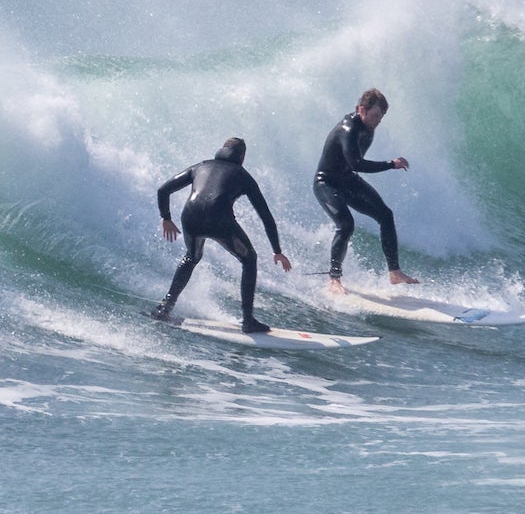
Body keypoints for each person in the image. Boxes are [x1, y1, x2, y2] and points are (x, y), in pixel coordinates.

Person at [151, 137, 291, 333]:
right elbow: (266, 216)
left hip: (190, 216)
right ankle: (248, 320)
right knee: (249, 259)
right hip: (219, 221)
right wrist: (277, 251)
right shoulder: (243, 175)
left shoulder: (201, 166)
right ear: (242, 156)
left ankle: (164, 308)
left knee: (191, 257)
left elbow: (163, 190)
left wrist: (166, 218)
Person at [315, 88, 416, 295]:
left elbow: (352, 167)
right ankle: (334, 279)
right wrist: (391, 164)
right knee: (345, 225)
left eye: (381, 117)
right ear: (362, 109)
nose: (378, 121)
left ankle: (394, 272)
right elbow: (356, 164)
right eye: (375, 115)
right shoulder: (349, 129)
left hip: (347, 180)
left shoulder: (368, 126)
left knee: (386, 215)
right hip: (327, 183)